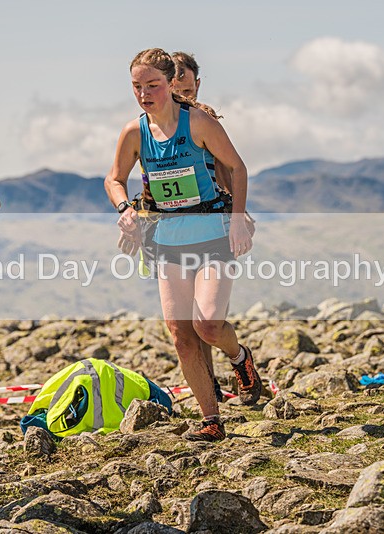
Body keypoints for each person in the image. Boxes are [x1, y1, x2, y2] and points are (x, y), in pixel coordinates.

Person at [105, 48, 262, 442]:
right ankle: (211, 419)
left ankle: (240, 358)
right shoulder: (133, 132)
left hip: (212, 235)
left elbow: (238, 168)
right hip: (167, 241)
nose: (144, 94)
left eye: (152, 85)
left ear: (169, 83)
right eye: (137, 87)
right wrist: (126, 211)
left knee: (207, 324)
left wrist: (239, 218)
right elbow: (114, 179)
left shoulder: (199, 123)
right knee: (180, 332)